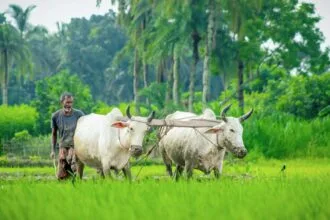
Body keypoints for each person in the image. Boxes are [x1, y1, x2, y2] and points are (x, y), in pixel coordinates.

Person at [50, 92, 85, 180]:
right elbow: (54, 134)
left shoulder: (79, 114)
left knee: (75, 169)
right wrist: (53, 150)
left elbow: (85, 130)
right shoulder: (56, 116)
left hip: (75, 147)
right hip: (63, 147)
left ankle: (77, 184)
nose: (69, 105)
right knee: (61, 175)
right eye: (67, 102)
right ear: (62, 102)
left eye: (71, 102)